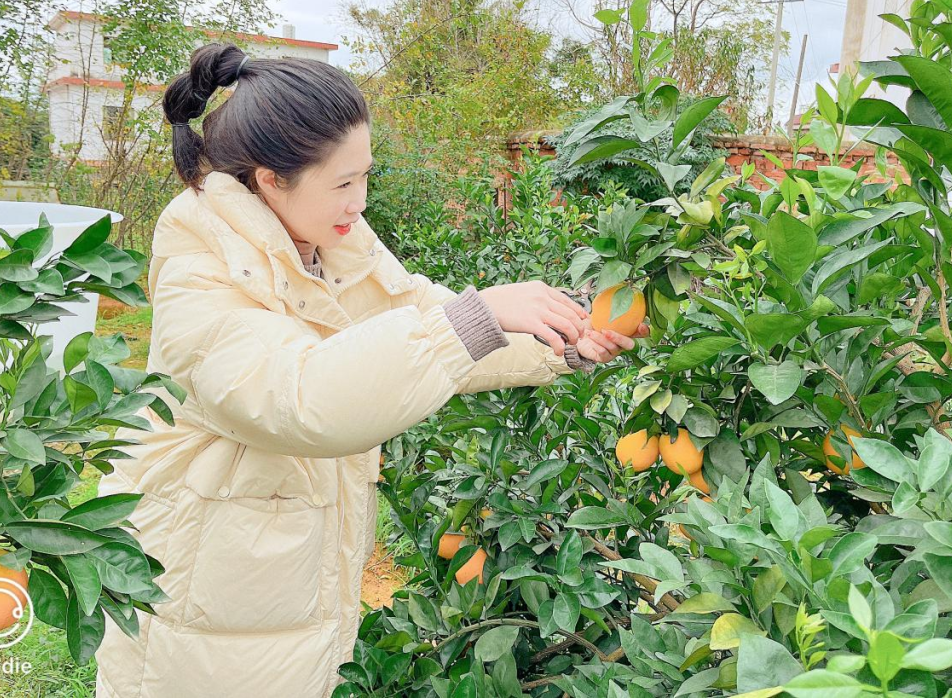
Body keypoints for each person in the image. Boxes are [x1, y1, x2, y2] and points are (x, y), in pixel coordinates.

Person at [93, 43, 647, 697]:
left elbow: (435, 328)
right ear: (270, 180)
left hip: (289, 595)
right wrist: (476, 317)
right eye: (342, 183)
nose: (359, 201)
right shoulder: (200, 268)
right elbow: (300, 398)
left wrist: (567, 338)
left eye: (365, 177)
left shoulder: (337, 245)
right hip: (199, 608)